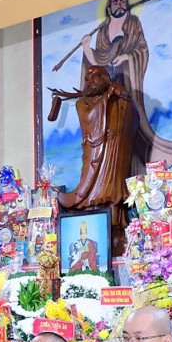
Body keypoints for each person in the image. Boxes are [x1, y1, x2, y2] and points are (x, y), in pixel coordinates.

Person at [81, 0, 172, 167]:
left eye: (122, 1)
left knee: (132, 127)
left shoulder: (132, 23)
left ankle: (142, 165)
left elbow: (142, 48)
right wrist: (87, 49)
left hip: (127, 86)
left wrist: (126, 57)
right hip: (108, 93)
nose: (119, 6)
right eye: (115, 2)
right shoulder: (103, 30)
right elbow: (99, 61)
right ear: (109, 7)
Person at [51, 65, 135, 253]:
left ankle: (115, 227)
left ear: (105, 79)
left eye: (94, 77)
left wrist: (120, 97)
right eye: (87, 79)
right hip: (93, 152)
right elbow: (90, 119)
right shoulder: (83, 103)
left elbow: (126, 121)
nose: (89, 81)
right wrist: (108, 96)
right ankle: (89, 208)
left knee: (112, 191)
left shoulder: (117, 99)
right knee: (88, 186)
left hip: (113, 154)